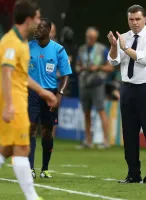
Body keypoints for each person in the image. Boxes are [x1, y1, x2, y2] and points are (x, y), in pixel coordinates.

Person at [0, 1, 57, 200]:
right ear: (28, 19)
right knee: (22, 148)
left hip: (18, 100)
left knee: (7, 148)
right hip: (13, 102)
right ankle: (32, 197)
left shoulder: (22, 42)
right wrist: (8, 105)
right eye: (37, 18)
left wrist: (43, 92)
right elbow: (6, 72)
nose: (39, 22)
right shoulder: (11, 42)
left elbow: (22, 75)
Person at [107, 4, 146, 184]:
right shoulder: (124, 37)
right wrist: (115, 46)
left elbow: (144, 59)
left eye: (138, 19)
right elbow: (114, 61)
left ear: (145, 19)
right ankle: (133, 174)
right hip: (128, 88)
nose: (134, 23)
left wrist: (125, 48)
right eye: (131, 19)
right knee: (129, 133)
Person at [28, 18, 72, 178]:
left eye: (40, 28)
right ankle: (30, 169)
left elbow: (66, 74)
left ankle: (44, 169)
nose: (36, 30)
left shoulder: (58, 50)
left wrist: (59, 94)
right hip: (31, 93)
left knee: (47, 131)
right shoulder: (27, 48)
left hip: (50, 94)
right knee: (30, 129)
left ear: (48, 30)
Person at [76, 27, 113, 149]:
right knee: (86, 112)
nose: (90, 39)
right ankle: (88, 141)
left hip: (97, 83)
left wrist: (98, 68)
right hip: (84, 83)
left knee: (101, 110)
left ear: (96, 38)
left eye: (92, 37)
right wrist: (81, 69)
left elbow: (110, 67)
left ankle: (106, 141)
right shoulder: (81, 49)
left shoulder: (102, 49)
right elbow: (76, 66)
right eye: (88, 37)